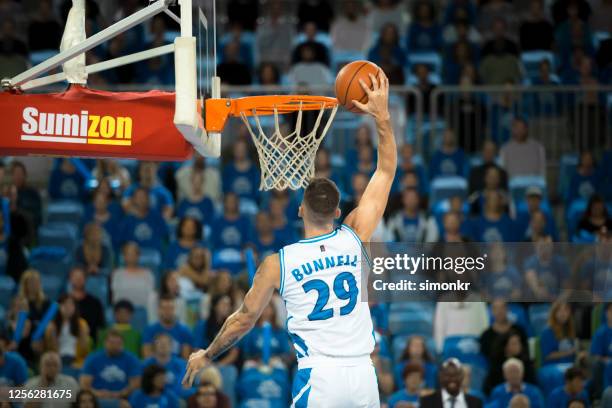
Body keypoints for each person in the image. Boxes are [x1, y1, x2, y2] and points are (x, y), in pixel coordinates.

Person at [184, 71, 396, 408]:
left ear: (299, 210)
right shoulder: (356, 235)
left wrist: (207, 354)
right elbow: (385, 171)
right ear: (339, 212)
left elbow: (243, 320)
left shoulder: (277, 263)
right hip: (362, 375)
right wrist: (382, 119)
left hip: (319, 376)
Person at [79, 329, 141, 402]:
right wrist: (97, 393)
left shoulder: (132, 359)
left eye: (118, 343)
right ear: (105, 343)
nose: (115, 346)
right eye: (112, 343)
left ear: (123, 344)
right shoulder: (93, 358)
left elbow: (136, 384)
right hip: (96, 400)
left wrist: (120, 394)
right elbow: (84, 384)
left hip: (124, 399)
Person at [40, 294, 90, 368]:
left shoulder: (82, 324)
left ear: (75, 308)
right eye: (65, 304)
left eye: (71, 305)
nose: (68, 307)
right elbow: (49, 347)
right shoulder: (51, 325)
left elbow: (84, 347)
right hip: (58, 359)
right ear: (59, 307)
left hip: (76, 359)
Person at [142, 295, 193, 359]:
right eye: (164, 308)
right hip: (155, 367)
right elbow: (147, 357)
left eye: (170, 308)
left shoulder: (184, 331)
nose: (168, 311)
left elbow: (185, 359)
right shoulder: (149, 330)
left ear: (175, 310)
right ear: (159, 310)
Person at [142, 333, 189, 399]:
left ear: (172, 346)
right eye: (160, 343)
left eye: (166, 343)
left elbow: (184, 386)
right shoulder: (146, 364)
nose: (163, 345)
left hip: (176, 399)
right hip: (151, 398)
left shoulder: (181, 364)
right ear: (154, 346)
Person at [111, 242, 155, 308]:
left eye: (133, 253)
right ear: (123, 256)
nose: (131, 256)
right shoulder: (117, 274)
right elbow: (116, 297)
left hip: (144, 311)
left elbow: (151, 297)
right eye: (128, 254)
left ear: (138, 255)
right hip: (123, 312)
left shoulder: (148, 274)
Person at [68, 267, 106, 340]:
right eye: (75, 277)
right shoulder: (63, 302)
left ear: (85, 279)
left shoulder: (95, 303)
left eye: (81, 277)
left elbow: (101, 327)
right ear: (70, 279)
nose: (78, 280)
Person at [540, 301, 578, 365]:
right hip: (553, 366)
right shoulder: (547, 332)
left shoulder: (570, 330)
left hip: (570, 365)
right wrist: (569, 352)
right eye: (559, 310)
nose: (563, 313)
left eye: (566, 310)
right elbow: (548, 356)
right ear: (554, 313)